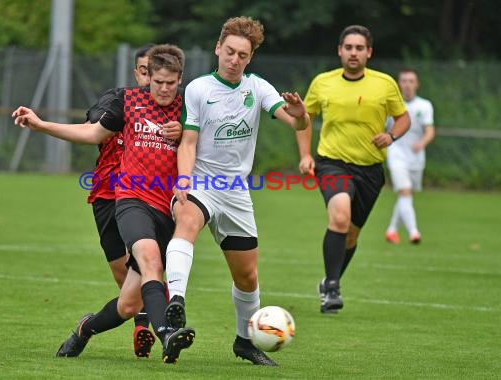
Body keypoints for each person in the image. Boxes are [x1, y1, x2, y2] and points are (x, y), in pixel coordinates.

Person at [11, 44, 195, 364]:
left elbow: (204, 146)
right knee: (149, 258)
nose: (164, 89)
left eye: (171, 82)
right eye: (158, 81)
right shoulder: (129, 102)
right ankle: (166, 333)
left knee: (127, 305)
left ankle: (85, 329)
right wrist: (41, 125)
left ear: (180, 80)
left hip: (167, 209)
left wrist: (184, 133)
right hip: (131, 200)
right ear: (146, 76)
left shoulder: (189, 108)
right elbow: (91, 134)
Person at [163, 16, 310, 366]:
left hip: (236, 191)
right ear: (218, 48)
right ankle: (176, 302)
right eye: (229, 51)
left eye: (242, 55)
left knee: (247, 276)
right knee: (186, 218)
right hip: (202, 182)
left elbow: (295, 122)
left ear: (250, 58)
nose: (234, 59)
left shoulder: (258, 88)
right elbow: (189, 141)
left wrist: (302, 116)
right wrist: (184, 178)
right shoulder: (199, 89)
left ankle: (245, 342)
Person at [295, 25, 411, 314]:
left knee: (351, 236)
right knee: (339, 215)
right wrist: (306, 155)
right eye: (349, 47)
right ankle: (332, 287)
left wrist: (392, 136)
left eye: (359, 48)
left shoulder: (384, 84)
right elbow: (304, 118)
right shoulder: (323, 82)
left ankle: (329, 281)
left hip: (371, 169)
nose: (354, 53)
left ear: (368, 52)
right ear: (340, 51)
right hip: (332, 163)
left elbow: (403, 118)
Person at [85, 43, 169, 359]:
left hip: (148, 197)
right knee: (124, 277)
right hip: (108, 194)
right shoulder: (119, 100)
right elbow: (96, 123)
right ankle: (141, 323)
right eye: (145, 71)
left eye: (157, 72)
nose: (151, 79)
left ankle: (148, 328)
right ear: (138, 73)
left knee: (151, 266)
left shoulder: (174, 107)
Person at [385, 68, 435, 245]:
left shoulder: (425, 105)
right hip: (396, 154)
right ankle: (414, 232)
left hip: (416, 157)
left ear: (417, 84)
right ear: (399, 84)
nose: (407, 84)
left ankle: (391, 230)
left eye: (411, 81)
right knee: (405, 192)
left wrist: (422, 143)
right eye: (404, 81)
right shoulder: (391, 104)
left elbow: (430, 131)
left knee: (406, 195)